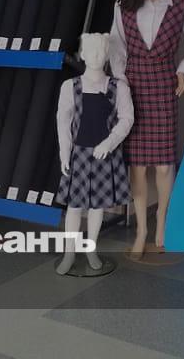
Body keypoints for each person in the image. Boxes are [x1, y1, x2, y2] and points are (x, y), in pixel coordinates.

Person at [110, 0, 184, 258]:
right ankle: (141, 230)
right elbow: (117, 48)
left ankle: (162, 220)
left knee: (165, 165)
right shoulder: (124, 3)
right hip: (133, 87)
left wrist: (183, 70)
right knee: (138, 166)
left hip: (165, 85)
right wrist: (121, 83)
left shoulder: (181, 3)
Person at [56, 33, 133, 274]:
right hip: (78, 154)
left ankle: (91, 250)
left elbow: (127, 119)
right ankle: (69, 253)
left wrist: (108, 144)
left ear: (107, 55)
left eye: (101, 51)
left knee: (98, 207)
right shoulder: (70, 86)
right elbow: (63, 121)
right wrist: (64, 152)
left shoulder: (119, 87)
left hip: (105, 156)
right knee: (74, 207)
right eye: (92, 51)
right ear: (83, 54)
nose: (97, 56)